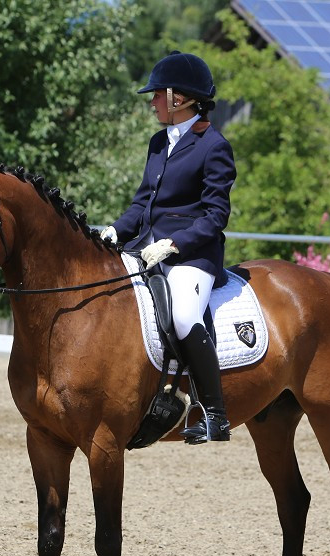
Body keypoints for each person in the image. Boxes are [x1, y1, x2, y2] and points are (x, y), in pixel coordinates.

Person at [101, 51, 235, 444]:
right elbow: (143, 203)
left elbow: (215, 216)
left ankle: (214, 413)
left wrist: (173, 244)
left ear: (180, 98)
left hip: (194, 255)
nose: (152, 101)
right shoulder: (159, 142)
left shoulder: (213, 145)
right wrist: (114, 232)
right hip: (146, 248)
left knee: (182, 316)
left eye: (158, 94)